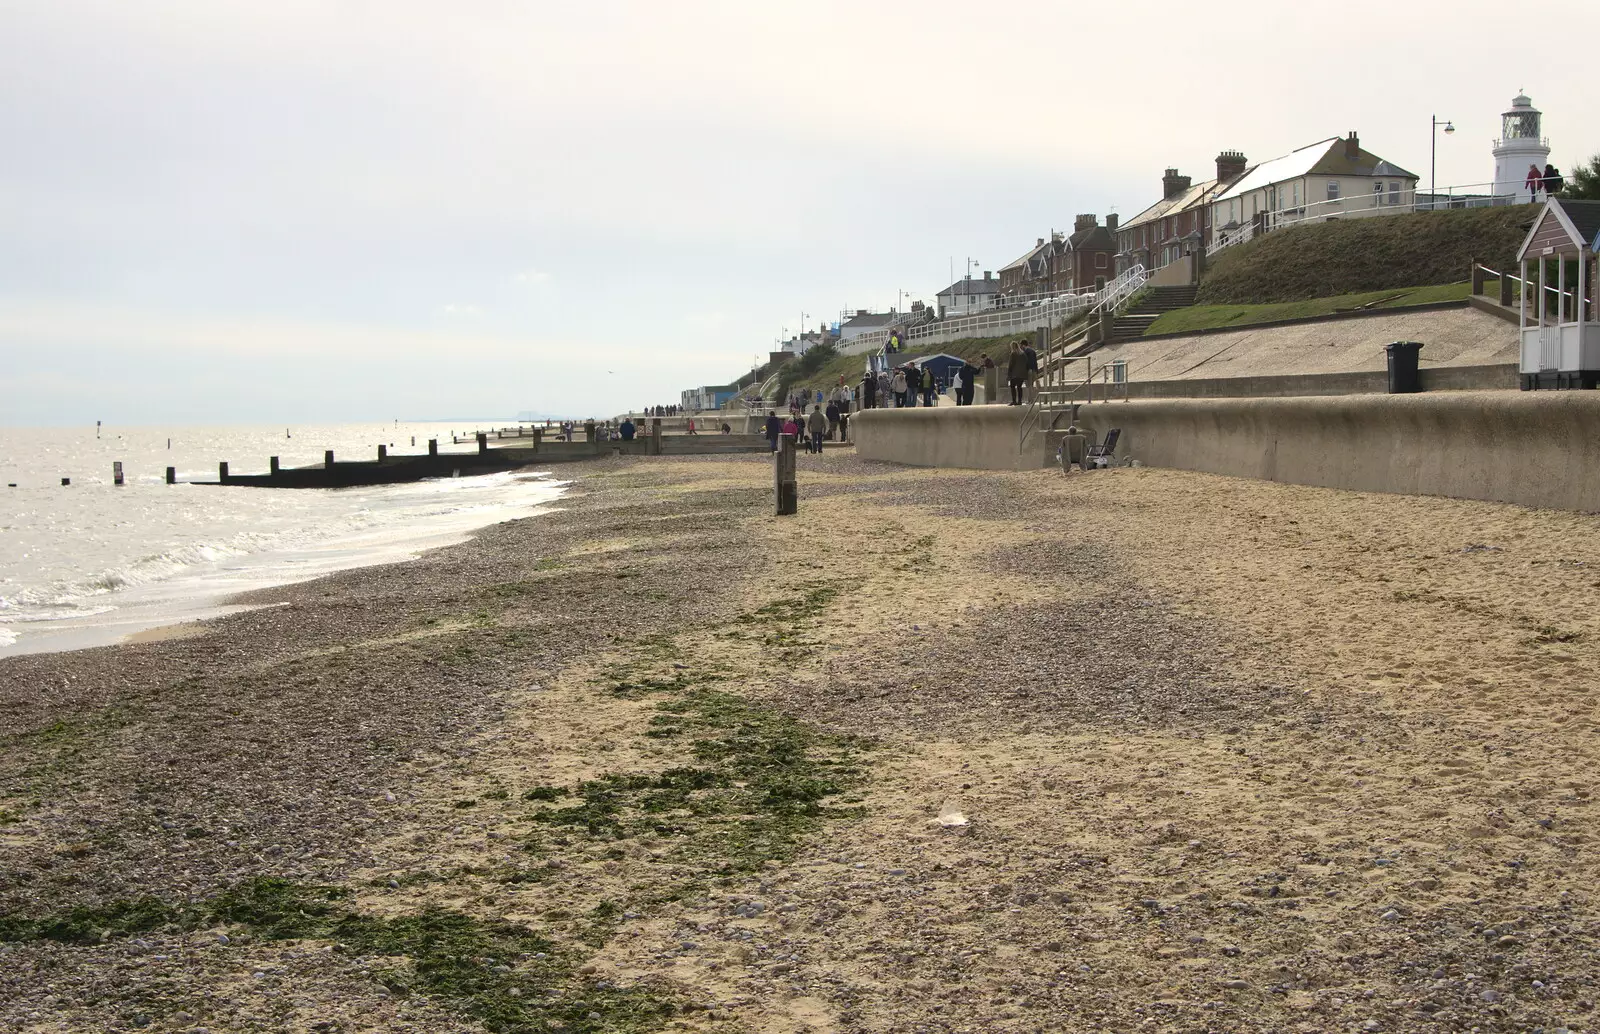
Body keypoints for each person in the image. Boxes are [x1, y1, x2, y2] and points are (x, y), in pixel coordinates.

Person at [1006, 341, 1029, 405]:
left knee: (1012, 386)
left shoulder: (1013, 354)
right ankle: (1020, 401)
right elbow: (1026, 363)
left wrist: (1009, 374)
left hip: (1014, 374)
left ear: (1012, 347)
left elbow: (1011, 365)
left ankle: (1014, 401)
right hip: (1022, 374)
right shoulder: (1023, 354)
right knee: (1019, 387)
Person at [1021, 338, 1039, 404]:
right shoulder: (1032, 351)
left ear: (1023, 345)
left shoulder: (1026, 352)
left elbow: (1028, 362)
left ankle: (1030, 400)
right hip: (1034, 370)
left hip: (1029, 371)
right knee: (1031, 386)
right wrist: (1036, 371)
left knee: (1029, 386)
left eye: (1021, 346)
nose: (1021, 347)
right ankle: (1031, 400)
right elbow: (1035, 362)